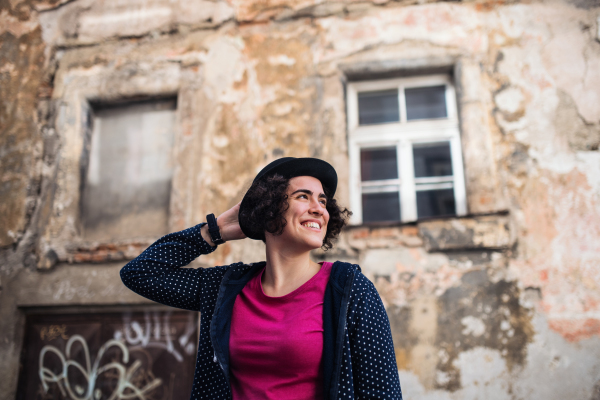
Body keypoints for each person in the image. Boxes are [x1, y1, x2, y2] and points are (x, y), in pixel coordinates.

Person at [120, 157, 402, 400]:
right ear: (269, 211)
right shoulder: (225, 289)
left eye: (323, 201)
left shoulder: (349, 290)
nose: (319, 208)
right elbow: (141, 273)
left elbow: (382, 392)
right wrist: (212, 232)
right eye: (303, 196)